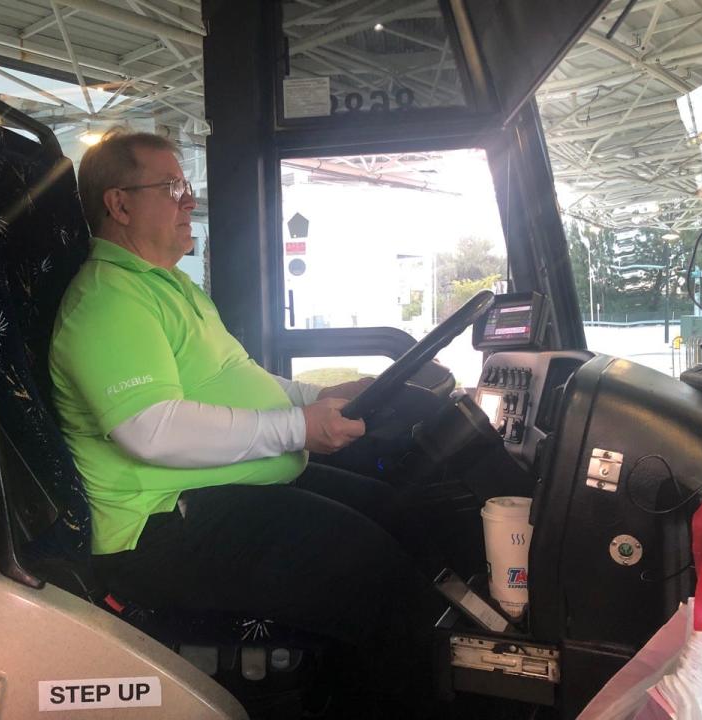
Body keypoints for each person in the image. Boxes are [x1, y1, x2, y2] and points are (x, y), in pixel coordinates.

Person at [49, 130, 437, 716]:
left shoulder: (171, 286)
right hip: (159, 527)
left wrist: (321, 396)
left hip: (216, 491)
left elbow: (242, 377)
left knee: (402, 511)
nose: (189, 201)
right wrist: (299, 429)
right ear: (120, 204)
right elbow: (152, 429)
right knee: (381, 579)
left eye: (186, 186)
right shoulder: (108, 301)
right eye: (172, 187)